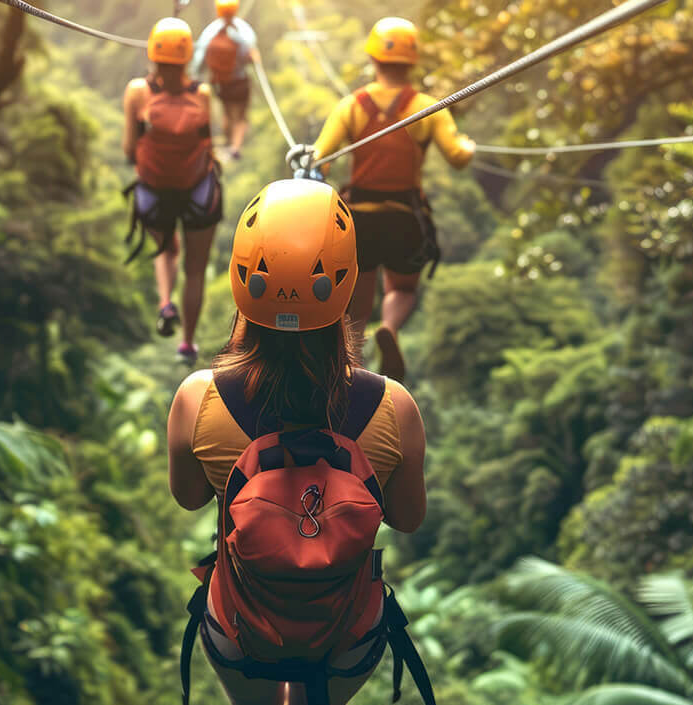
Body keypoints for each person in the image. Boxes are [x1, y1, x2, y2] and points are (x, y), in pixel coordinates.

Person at [167, 180, 433, 705]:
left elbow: (190, 497)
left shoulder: (198, 399)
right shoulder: (394, 407)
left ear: (241, 278)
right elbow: (407, 518)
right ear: (350, 283)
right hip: (348, 632)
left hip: (242, 629)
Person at [310, 17, 475, 383]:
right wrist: (468, 147)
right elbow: (457, 157)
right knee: (401, 288)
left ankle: (350, 367)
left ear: (374, 59)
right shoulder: (429, 108)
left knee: (357, 297)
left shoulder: (352, 106)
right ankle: (390, 327)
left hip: (360, 217)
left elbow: (321, 156)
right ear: (412, 61)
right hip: (405, 215)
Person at [124, 17, 226, 364]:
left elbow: (128, 148)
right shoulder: (202, 94)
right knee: (195, 269)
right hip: (196, 190)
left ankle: (165, 303)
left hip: (154, 190)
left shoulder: (138, 91)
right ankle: (187, 343)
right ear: (188, 57)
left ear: (152, 53)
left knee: (167, 250)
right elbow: (208, 142)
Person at [190, 0, 260, 162]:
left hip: (221, 84)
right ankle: (235, 147)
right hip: (240, 81)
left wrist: (193, 76)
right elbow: (249, 56)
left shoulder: (210, 32)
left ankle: (229, 142)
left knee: (228, 112)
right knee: (241, 117)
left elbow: (199, 57)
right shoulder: (244, 31)